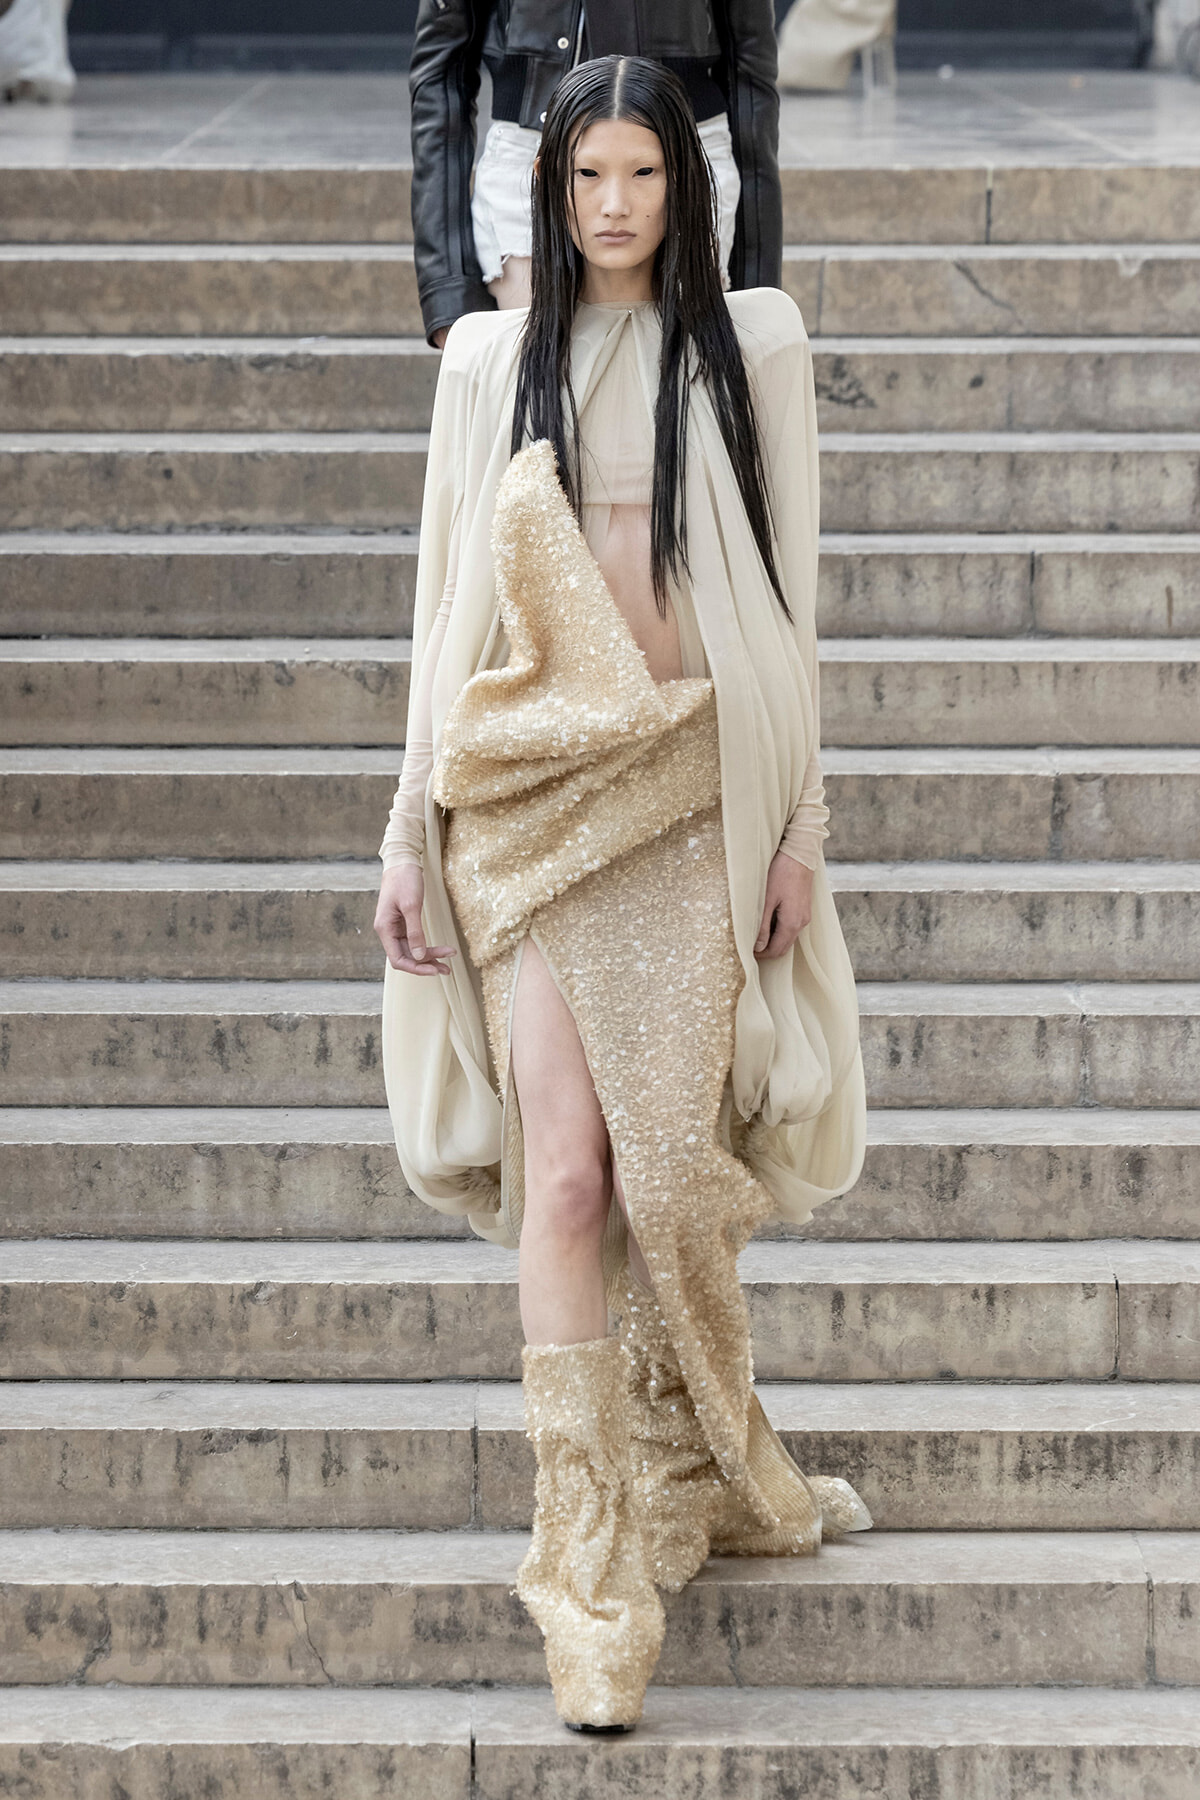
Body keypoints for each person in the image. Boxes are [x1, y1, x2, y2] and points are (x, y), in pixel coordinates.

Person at [376, 54, 868, 1734]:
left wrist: (804, 828)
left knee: (673, 1171)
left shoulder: (756, 348)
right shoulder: (486, 362)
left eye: (643, 176)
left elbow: (793, 598)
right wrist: (400, 830)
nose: (613, 209)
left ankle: (697, 1444)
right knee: (569, 1175)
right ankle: (582, 1565)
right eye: (587, 177)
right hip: (530, 802)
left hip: (692, 795)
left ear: (687, 185)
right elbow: (444, 608)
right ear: (550, 186)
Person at [408, 0, 783, 346]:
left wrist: (757, 289)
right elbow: (441, 73)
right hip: (531, 146)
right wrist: (449, 290)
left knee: (678, 386)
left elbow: (751, 77)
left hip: (682, 144)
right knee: (540, 382)